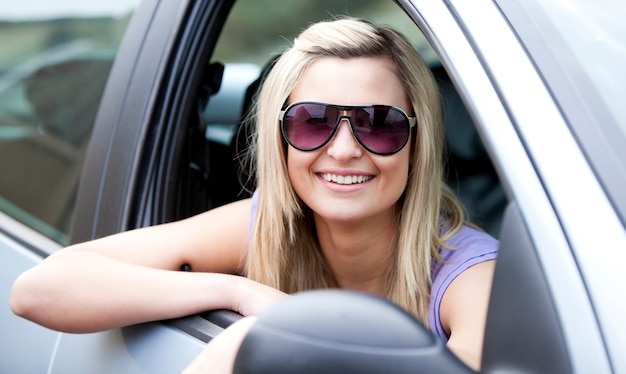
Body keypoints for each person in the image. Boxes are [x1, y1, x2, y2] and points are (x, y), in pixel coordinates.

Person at [10, 17, 498, 372]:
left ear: (419, 142)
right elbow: (38, 290)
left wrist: (284, 333)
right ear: (279, 138)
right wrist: (235, 291)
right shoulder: (266, 222)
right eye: (314, 123)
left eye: (379, 124)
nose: (345, 149)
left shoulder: (469, 271)